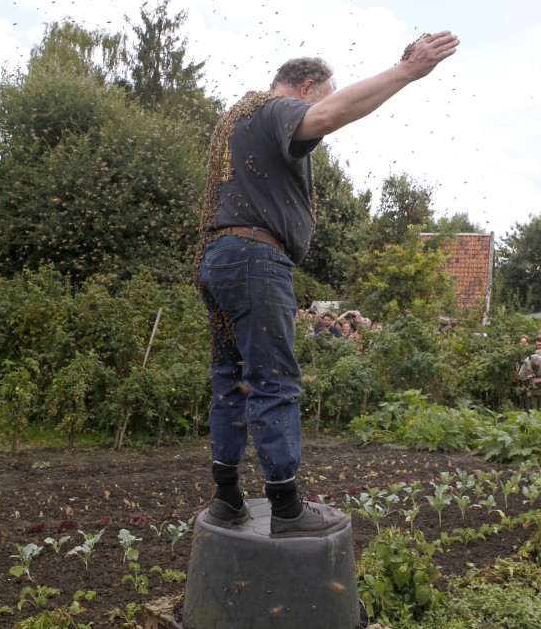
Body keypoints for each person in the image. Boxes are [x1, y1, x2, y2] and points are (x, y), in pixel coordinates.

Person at [196, 32, 460, 536]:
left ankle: (226, 499)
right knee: (274, 379)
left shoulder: (237, 119)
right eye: (321, 95)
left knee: (230, 376)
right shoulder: (277, 108)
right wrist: (406, 71)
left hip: (219, 257)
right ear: (307, 87)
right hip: (256, 259)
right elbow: (326, 116)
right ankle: (286, 508)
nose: (317, 108)